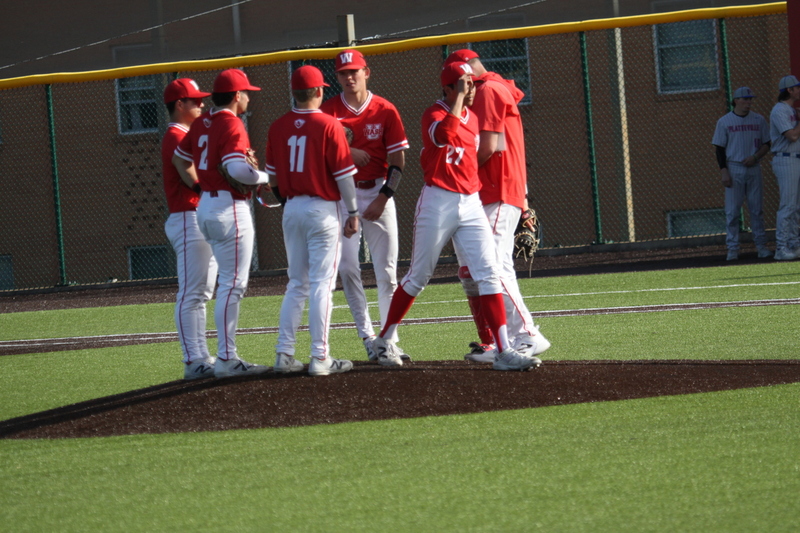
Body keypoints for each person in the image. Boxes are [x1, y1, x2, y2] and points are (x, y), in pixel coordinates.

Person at [371, 61, 539, 372]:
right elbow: (444, 135)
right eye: (463, 84)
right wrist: (458, 100)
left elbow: (477, 155)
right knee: (418, 275)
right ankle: (384, 338)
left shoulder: (474, 117)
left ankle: (503, 349)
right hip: (438, 200)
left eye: (472, 83)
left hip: (471, 201)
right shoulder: (433, 113)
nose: (471, 88)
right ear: (448, 89)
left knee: (488, 272)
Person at [443, 49, 550, 363]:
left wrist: (458, 175)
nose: (461, 88)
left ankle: (528, 335)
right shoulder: (493, 87)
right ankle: (495, 341)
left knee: (492, 266)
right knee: (476, 269)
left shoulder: (488, 89)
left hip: (496, 190)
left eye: (460, 80)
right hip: (493, 191)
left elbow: (489, 146)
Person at [173, 69, 271, 378]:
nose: (248, 97)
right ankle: (227, 358)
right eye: (246, 92)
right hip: (229, 207)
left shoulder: (203, 122)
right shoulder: (231, 123)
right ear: (237, 95)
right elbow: (238, 170)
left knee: (224, 285)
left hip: (206, 206)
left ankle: (213, 357)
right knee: (232, 285)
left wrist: (203, 183)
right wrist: (266, 177)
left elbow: (180, 158)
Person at [265, 65, 360, 377]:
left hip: (291, 207)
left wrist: (288, 203)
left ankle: (284, 353)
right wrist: (354, 212)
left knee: (296, 283)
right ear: (320, 91)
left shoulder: (277, 127)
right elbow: (345, 178)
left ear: (293, 92)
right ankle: (320, 357)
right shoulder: (329, 125)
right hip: (323, 209)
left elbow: (274, 178)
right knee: (322, 284)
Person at [320, 49, 411, 362]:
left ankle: (389, 339)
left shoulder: (385, 109)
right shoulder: (328, 110)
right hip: (343, 198)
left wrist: (384, 197)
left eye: (354, 71)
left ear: (366, 72)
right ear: (337, 77)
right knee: (347, 268)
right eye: (343, 72)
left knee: (387, 271)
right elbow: (318, 157)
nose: (349, 77)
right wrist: (348, 149)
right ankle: (368, 337)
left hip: (377, 192)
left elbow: (398, 162)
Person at [161, 78, 219, 380]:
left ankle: (200, 355)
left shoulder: (187, 132)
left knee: (202, 292)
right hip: (187, 216)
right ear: (179, 105)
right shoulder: (175, 133)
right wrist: (208, 186)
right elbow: (188, 171)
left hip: (196, 216)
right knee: (191, 293)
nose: (201, 104)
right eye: (195, 100)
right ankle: (192, 359)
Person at [711, 86, 772, 261]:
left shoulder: (759, 119)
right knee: (732, 212)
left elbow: (767, 143)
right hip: (734, 167)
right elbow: (719, 149)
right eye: (745, 99)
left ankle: (761, 247)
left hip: (754, 167)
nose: (748, 102)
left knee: (757, 210)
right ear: (736, 100)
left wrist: (755, 156)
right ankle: (732, 249)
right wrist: (724, 172)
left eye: (750, 99)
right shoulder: (724, 121)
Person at [769, 75, 800, 261]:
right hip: (785, 159)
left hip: (795, 158)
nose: (799, 90)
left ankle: (794, 244)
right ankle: (781, 248)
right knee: (788, 206)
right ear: (789, 90)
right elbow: (792, 136)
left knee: (796, 206)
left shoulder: (790, 109)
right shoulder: (779, 110)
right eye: (797, 87)